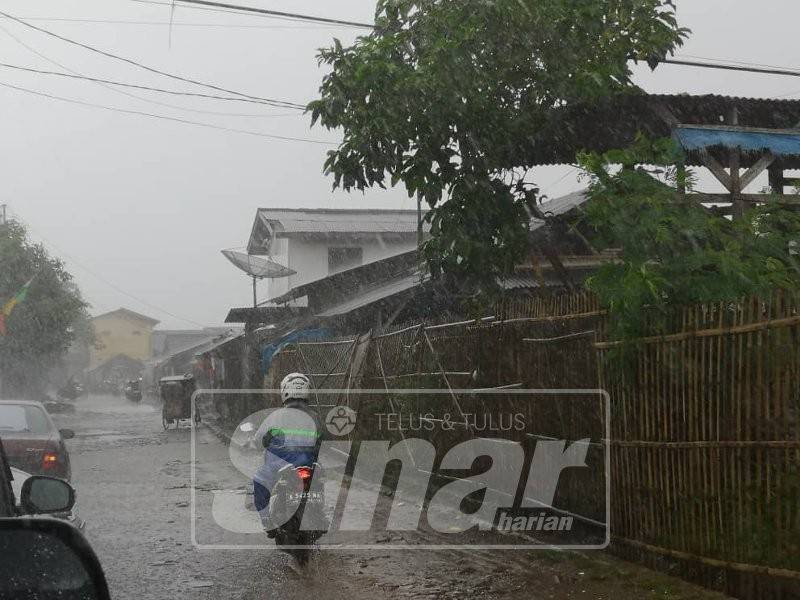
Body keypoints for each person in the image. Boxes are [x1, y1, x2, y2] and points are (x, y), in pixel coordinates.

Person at [252, 373, 320, 535]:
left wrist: (257, 444)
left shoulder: (275, 416)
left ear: (285, 391)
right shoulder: (315, 417)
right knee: (318, 481)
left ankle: (267, 521)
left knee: (259, 481)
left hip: (281, 465)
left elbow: (259, 440)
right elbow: (323, 441)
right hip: (308, 463)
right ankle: (318, 512)